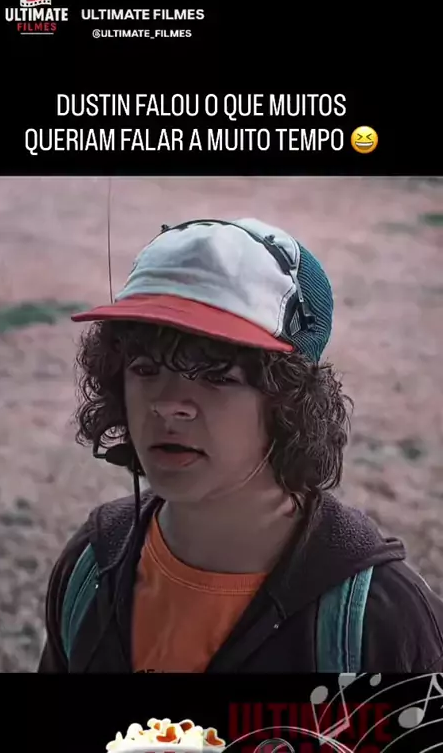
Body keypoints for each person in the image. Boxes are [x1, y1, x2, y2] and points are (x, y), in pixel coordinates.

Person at [37, 217, 443, 673]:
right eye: (145, 369)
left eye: (217, 376)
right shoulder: (91, 564)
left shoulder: (379, 625)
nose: (168, 405)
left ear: (289, 402)